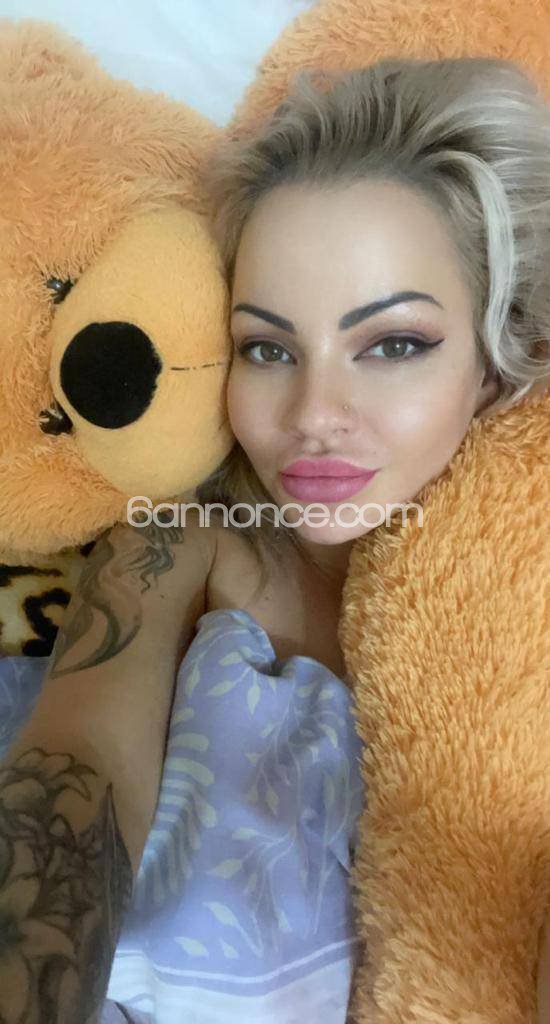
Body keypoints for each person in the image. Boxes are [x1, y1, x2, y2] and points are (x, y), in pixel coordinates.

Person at [0, 57, 548, 1024]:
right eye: (268, 348)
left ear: (495, 364)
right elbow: (79, 768)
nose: (312, 415)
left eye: (393, 344)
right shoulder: (181, 550)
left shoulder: (519, 628)